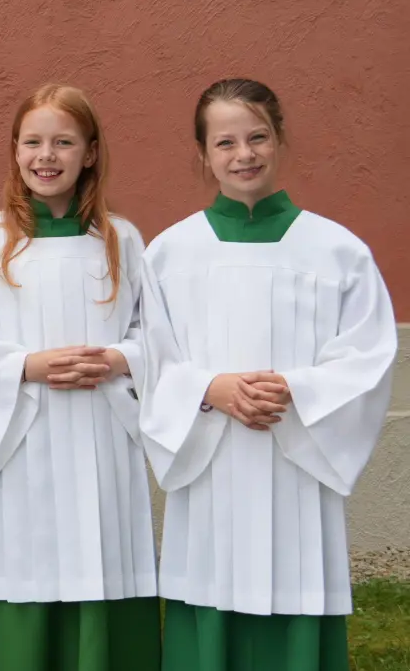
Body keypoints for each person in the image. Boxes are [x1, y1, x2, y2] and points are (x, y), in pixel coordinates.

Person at [140, 79, 397, 671]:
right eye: (225, 142)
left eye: (257, 137)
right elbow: (149, 358)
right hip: (214, 462)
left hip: (295, 466)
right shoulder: (172, 253)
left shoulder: (336, 251)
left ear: (280, 141)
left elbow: (368, 355)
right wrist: (211, 388)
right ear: (203, 154)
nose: (244, 154)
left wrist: (296, 390)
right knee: (213, 583)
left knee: (295, 582)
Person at [0, 85, 165, 671]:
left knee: (102, 553)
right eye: (33, 141)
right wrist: (24, 365)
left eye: (65, 142)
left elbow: (158, 338)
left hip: (101, 435)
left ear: (90, 152)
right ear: (14, 151)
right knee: (25, 561)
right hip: (20, 442)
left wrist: (121, 360)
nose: (48, 156)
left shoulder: (121, 240)